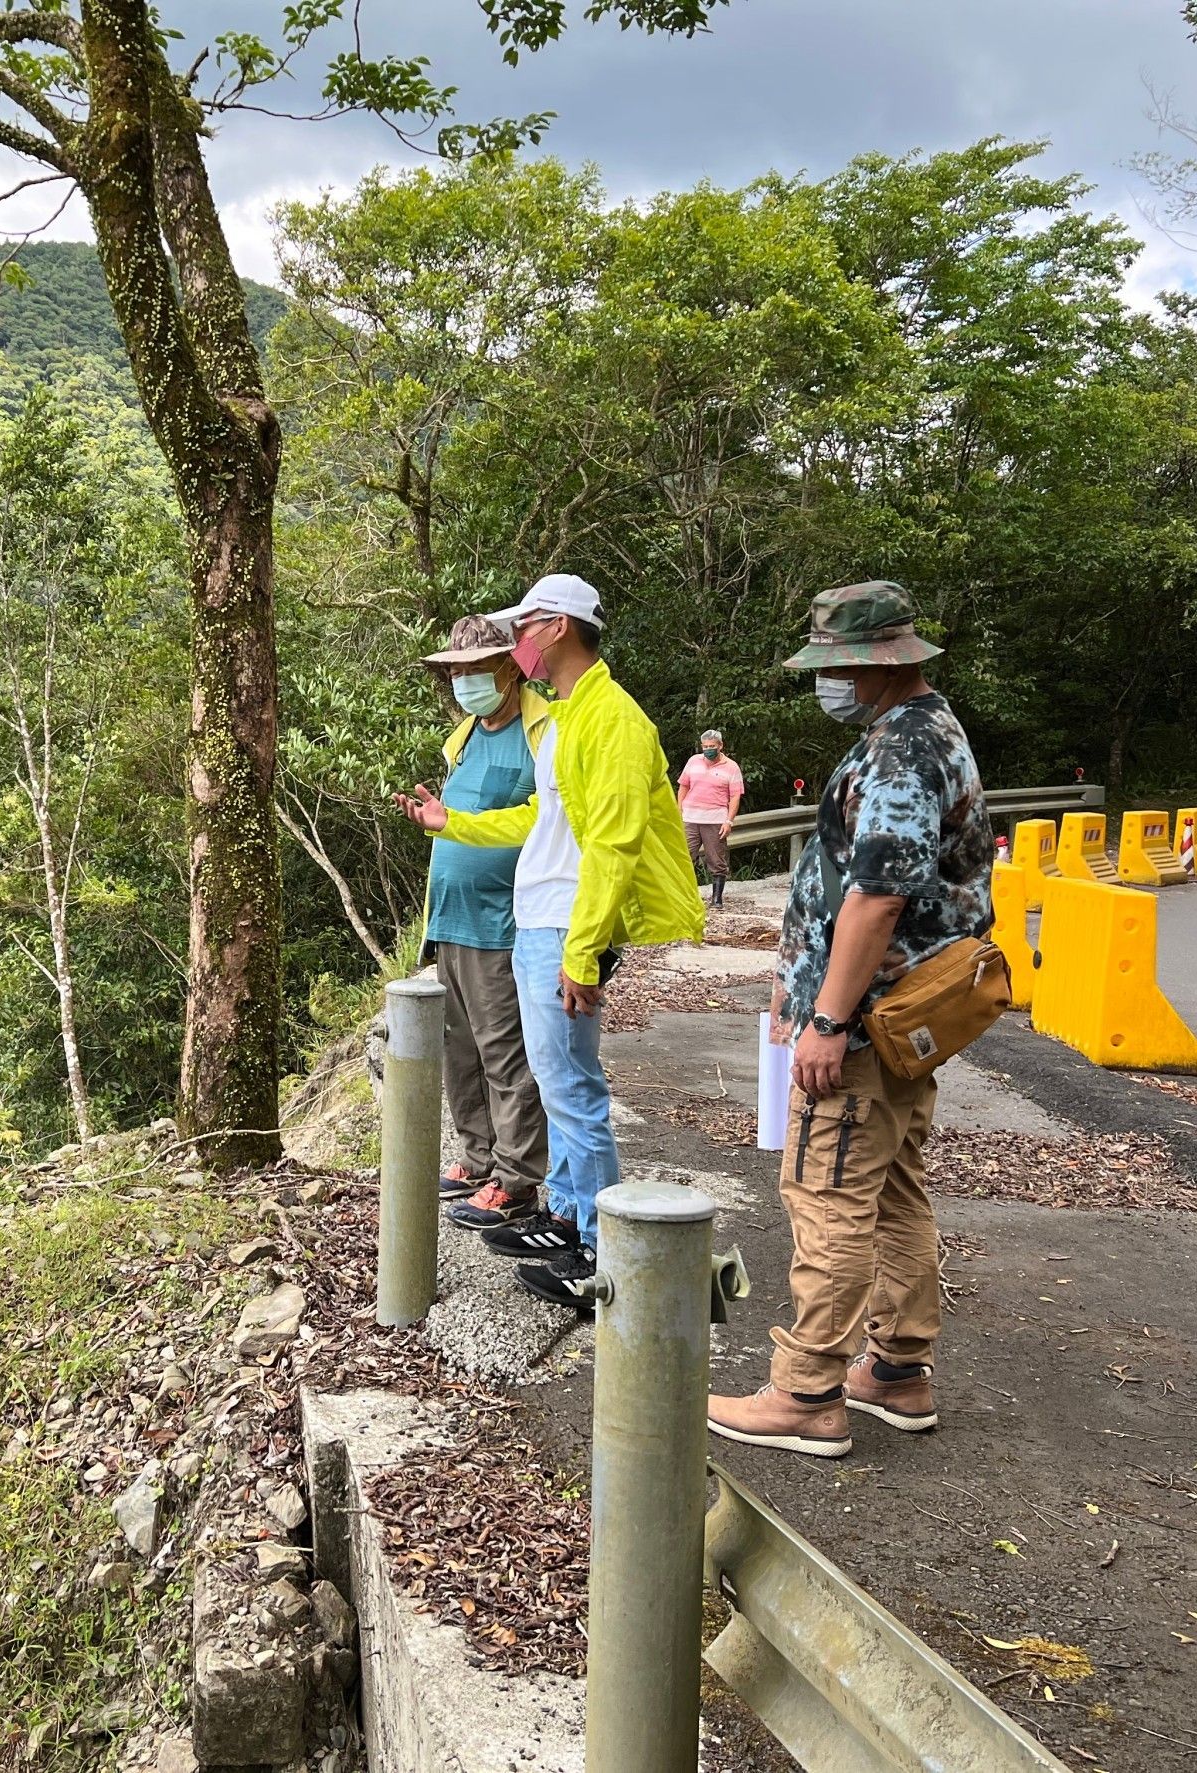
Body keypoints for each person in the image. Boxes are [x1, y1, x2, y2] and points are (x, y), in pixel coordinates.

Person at [707, 581, 994, 1459]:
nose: (827, 684)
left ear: (873, 662)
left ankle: (806, 1391)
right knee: (894, 1188)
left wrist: (826, 1018)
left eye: (835, 667)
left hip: (867, 1021)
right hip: (908, 1016)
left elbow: (876, 895)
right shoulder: (930, 728)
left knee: (827, 1193)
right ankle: (897, 1369)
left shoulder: (902, 751)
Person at [396, 573, 705, 1309]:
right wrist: (454, 825)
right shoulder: (572, 715)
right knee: (558, 1081)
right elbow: (541, 818)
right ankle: (567, 1216)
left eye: (524, 629)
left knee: (571, 1092)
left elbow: (615, 845)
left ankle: (603, 1249)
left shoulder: (615, 721)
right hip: (542, 922)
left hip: (566, 925)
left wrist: (583, 950)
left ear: (557, 627)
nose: (518, 645)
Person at [416, 615, 551, 1229]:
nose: (465, 680)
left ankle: (518, 1177)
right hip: (449, 918)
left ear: (510, 666)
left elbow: (548, 821)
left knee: (506, 1055)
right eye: (457, 671)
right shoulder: (465, 734)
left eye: (476, 669)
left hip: (502, 922)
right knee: (460, 1052)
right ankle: (477, 1157)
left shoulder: (543, 731)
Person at [678, 729, 744, 907]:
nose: (708, 749)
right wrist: (679, 810)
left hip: (715, 819)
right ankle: (685, 897)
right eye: (705, 746)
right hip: (690, 817)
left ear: (720, 746)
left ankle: (716, 899)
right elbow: (683, 786)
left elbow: (735, 796)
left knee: (716, 859)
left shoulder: (731, 767)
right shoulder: (693, 761)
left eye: (712, 746)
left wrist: (729, 821)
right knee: (684, 857)